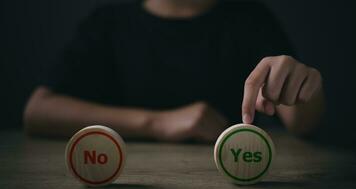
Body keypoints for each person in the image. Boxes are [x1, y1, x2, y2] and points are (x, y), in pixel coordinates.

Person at [23, 0, 325, 142]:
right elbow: (38, 111)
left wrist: (303, 86)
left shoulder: (251, 19)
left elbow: (301, 122)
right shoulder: (109, 22)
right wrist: (157, 122)